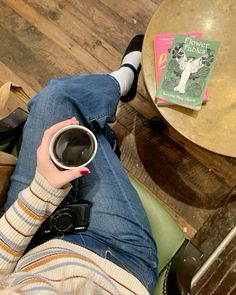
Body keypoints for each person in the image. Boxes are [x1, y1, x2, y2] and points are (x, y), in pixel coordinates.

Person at [0, 35, 158, 294]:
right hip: (115, 263)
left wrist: (42, 191)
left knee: (56, 99)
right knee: (82, 130)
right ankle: (120, 87)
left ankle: (121, 81)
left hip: (28, 249)